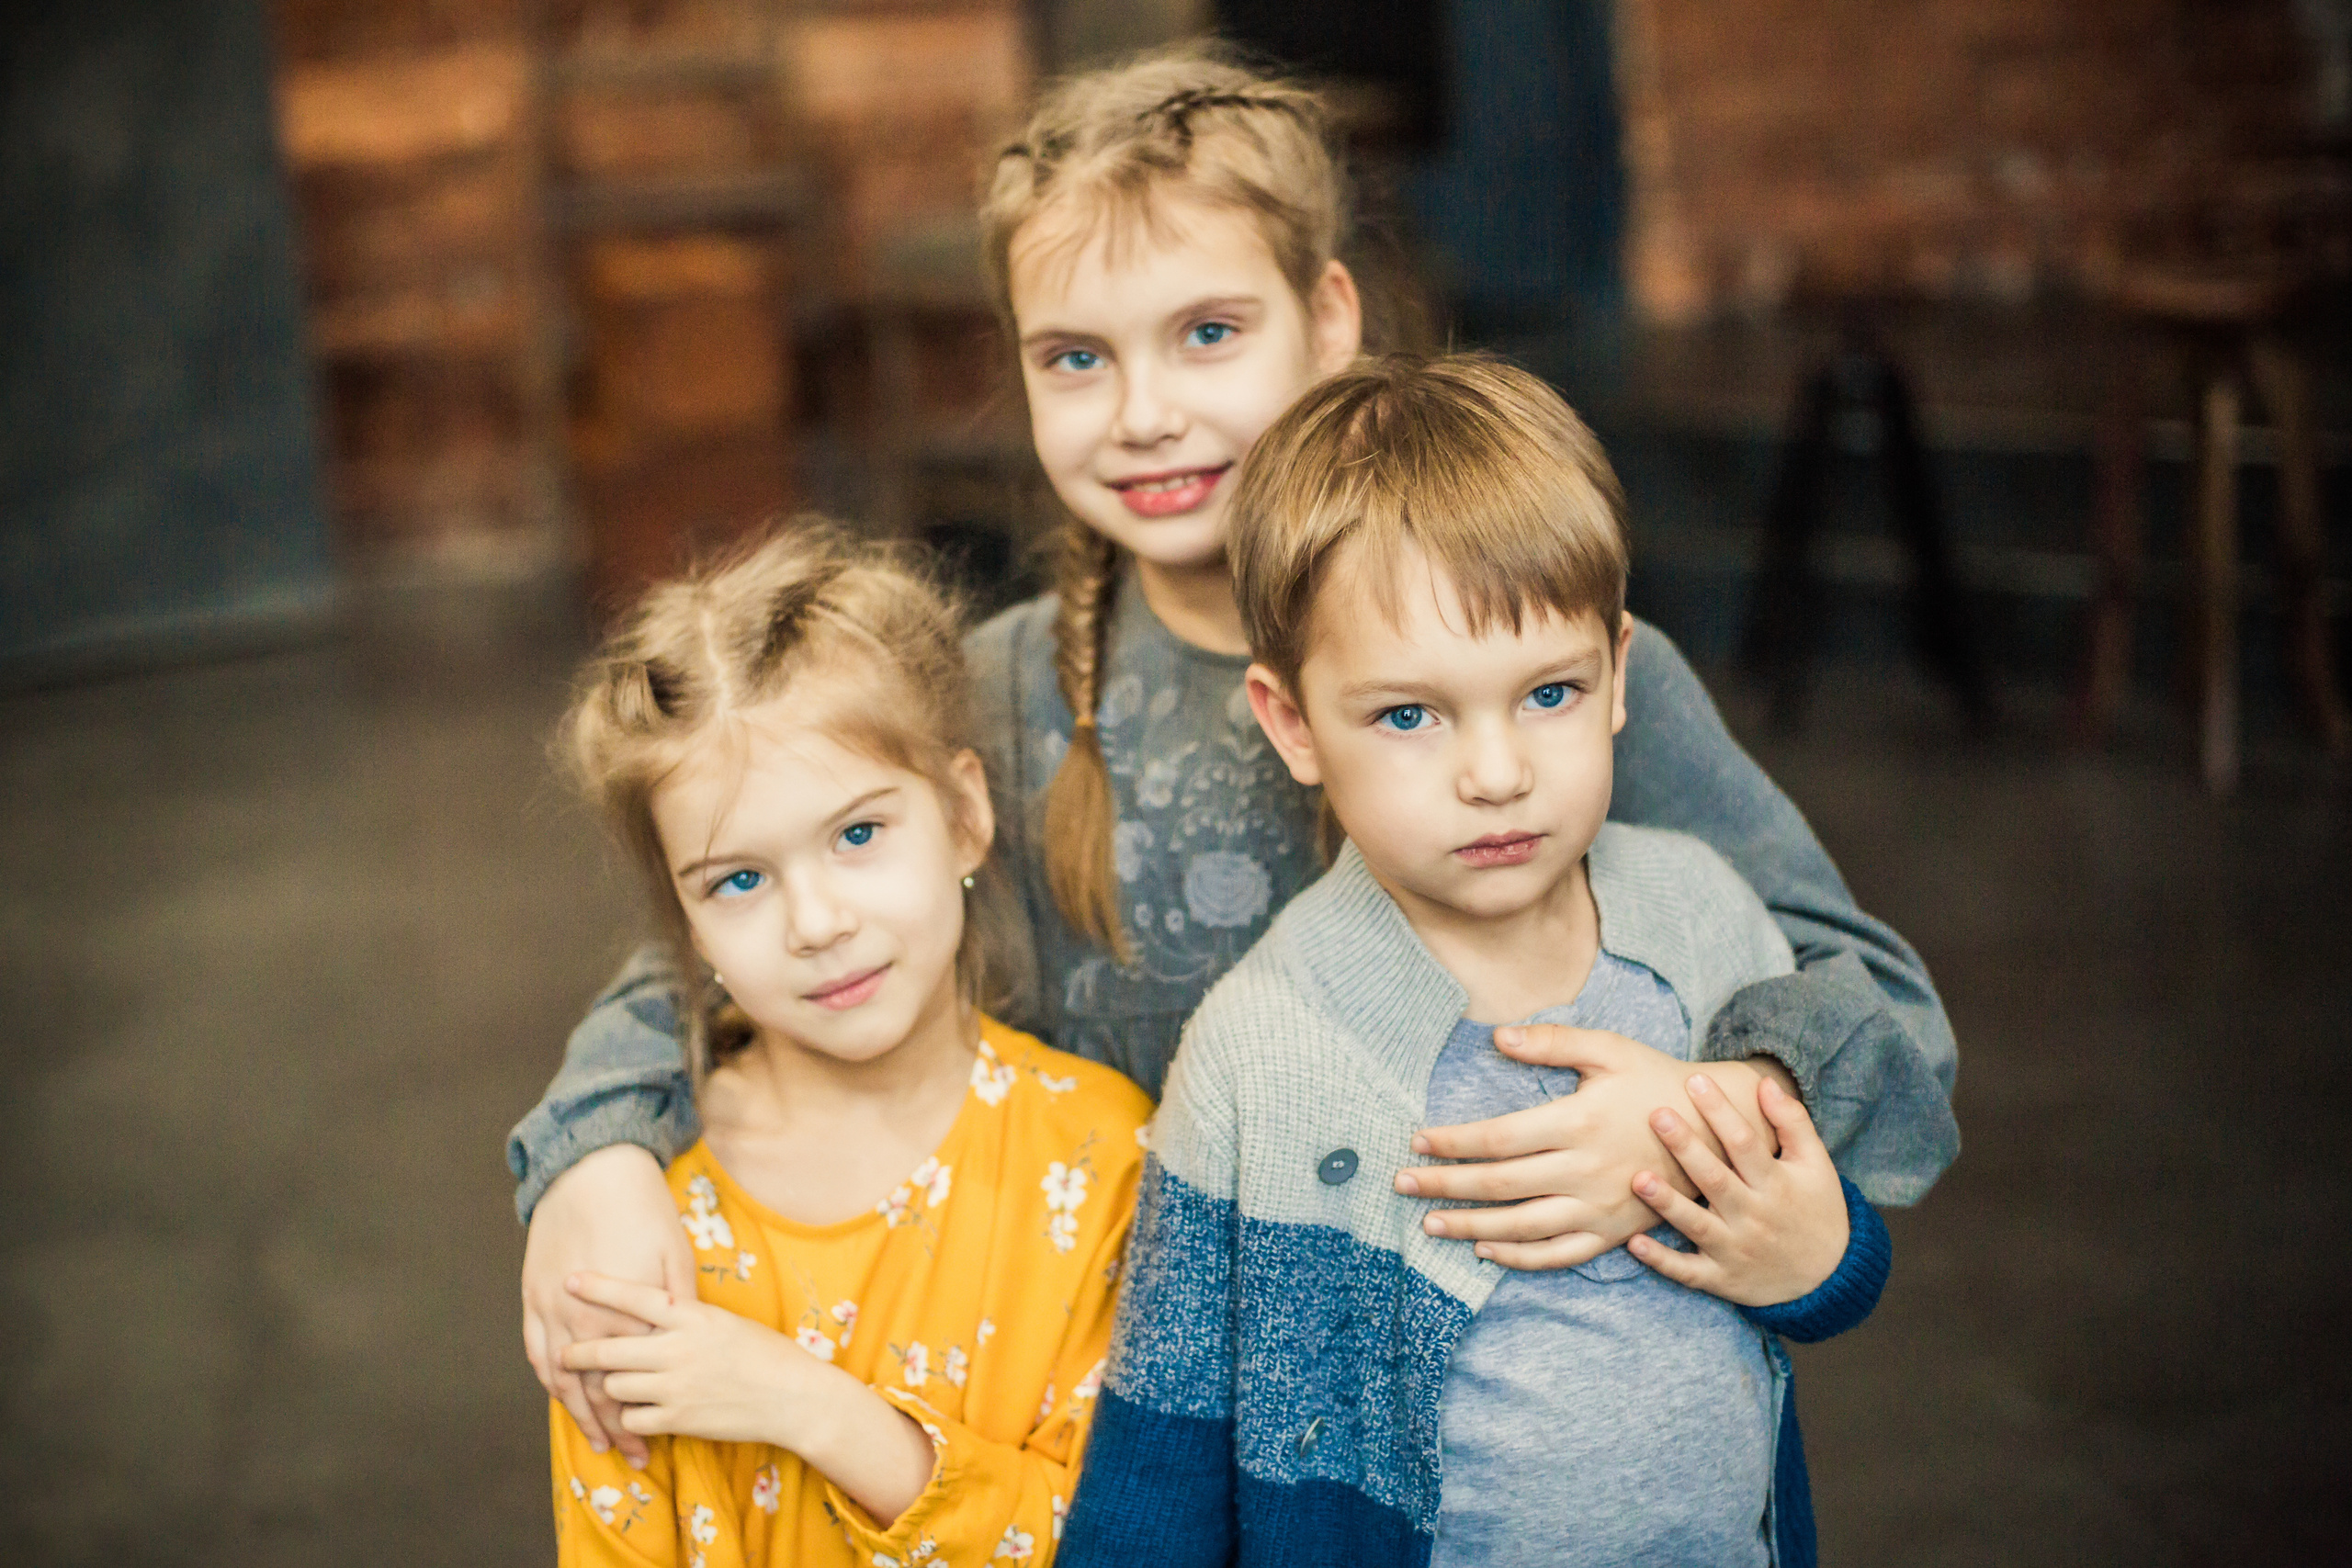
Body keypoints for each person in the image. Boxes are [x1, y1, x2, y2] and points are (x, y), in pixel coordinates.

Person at [512, 43, 1959, 1466]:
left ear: (1329, 319)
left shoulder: (1525, 675)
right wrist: (593, 1152)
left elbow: (1876, 1000)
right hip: (1129, 1444)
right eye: (1075, 358)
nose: (1144, 412)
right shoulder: (999, 695)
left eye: (1209, 333)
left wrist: (1704, 1110)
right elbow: (710, 953)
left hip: (1541, 1444)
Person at [1062, 355, 1887, 1568]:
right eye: (1410, 714)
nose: (1495, 772)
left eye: (1548, 691)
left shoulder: (1711, 924)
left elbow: (1819, 1261)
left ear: (1617, 674)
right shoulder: (1260, 1044)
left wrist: (1822, 1256)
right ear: (1290, 721)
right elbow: (1159, 1446)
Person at [546, 524, 1149, 1566]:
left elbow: (1123, 1541)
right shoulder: (642, 1228)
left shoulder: (1103, 1159)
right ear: (685, 924)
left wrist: (809, 1408)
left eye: (858, 834)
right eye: (739, 879)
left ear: (962, 814)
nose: (815, 922)